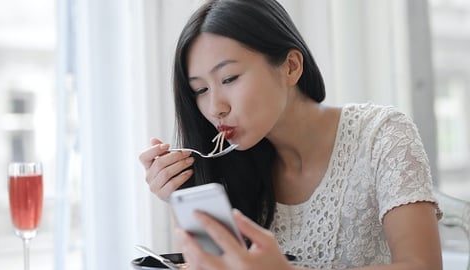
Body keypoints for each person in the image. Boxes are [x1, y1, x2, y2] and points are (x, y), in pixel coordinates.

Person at [138, 0, 443, 269]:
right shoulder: (230, 169)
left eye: (229, 78)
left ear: (291, 67)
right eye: (200, 90)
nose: (215, 107)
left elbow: (423, 266)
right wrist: (183, 199)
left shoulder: (382, 134)